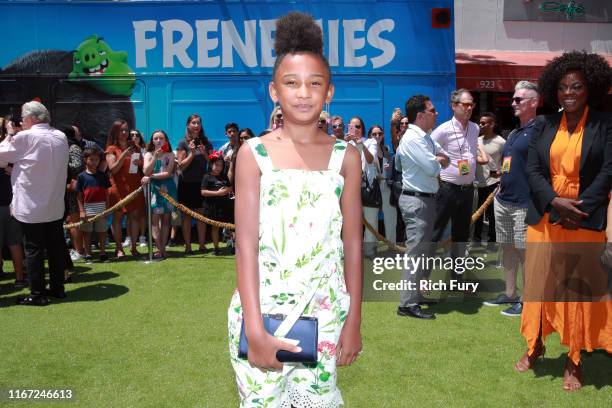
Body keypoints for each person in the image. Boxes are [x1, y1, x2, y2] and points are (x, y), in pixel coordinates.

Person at [228, 12, 362, 406]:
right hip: (262, 313)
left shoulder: (346, 157)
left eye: (314, 83)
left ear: (329, 92)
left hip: (326, 316)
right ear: (274, 91)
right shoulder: (253, 154)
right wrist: (254, 327)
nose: (303, 93)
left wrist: (354, 321)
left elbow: (353, 244)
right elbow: (246, 245)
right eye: (291, 83)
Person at [517, 51, 612, 392]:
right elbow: (532, 170)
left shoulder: (605, 123)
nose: (569, 92)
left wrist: (577, 209)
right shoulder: (543, 124)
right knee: (539, 285)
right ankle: (535, 344)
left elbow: (608, 170)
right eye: (562, 87)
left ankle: (574, 359)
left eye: (577, 86)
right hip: (545, 216)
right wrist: (556, 202)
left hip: (584, 220)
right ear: (554, 91)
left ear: (591, 89)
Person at [0, 101, 69, 306]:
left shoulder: (24, 137)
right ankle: (58, 288)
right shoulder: (60, 136)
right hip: (54, 204)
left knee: (34, 250)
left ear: (30, 119)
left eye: (22, 118)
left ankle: (37, 294)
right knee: (55, 248)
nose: (20, 121)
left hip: (32, 206)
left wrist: (11, 133)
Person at [484, 81, 540, 316]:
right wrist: (501, 184)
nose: (513, 103)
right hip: (503, 199)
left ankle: (527, 301)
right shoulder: (515, 132)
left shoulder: (542, 130)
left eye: (519, 99)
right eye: (513, 99)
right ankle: (510, 293)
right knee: (507, 249)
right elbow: (508, 165)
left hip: (524, 203)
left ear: (534, 102)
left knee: (524, 252)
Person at [395, 95, 448, 320]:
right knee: (417, 253)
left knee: (423, 252)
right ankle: (407, 303)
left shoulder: (424, 138)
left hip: (424, 199)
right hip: (417, 200)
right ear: (420, 115)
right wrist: (439, 159)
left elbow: (444, 156)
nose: (436, 113)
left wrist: (439, 159)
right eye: (432, 110)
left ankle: (414, 296)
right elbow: (433, 167)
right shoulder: (414, 139)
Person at [430, 89, 488, 279]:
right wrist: (438, 159)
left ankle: (457, 278)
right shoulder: (443, 130)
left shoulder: (475, 128)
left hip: (467, 190)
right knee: (435, 233)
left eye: (472, 104)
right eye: (465, 104)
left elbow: (471, 152)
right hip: (447, 189)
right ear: (454, 106)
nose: (470, 108)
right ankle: (422, 278)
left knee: (462, 236)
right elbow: (427, 150)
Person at [105, 119, 145, 258]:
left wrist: (139, 162)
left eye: (126, 130)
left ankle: (134, 248)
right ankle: (119, 248)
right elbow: (113, 169)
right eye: (121, 130)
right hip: (118, 188)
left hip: (134, 186)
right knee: (118, 217)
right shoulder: (111, 149)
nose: (124, 133)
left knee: (134, 216)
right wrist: (123, 155)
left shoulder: (134, 146)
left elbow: (141, 166)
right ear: (115, 132)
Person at [176, 114, 213, 254]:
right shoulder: (182, 143)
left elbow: (213, 164)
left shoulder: (206, 142)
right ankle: (188, 246)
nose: (196, 126)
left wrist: (204, 154)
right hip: (186, 183)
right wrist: (191, 154)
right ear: (188, 125)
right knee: (186, 216)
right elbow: (181, 166)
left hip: (201, 183)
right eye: (193, 123)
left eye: (198, 123)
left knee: (201, 216)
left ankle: (202, 245)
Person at [142, 130, 177, 260]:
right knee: (154, 220)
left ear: (165, 140)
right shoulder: (148, 154)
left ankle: (163, 248)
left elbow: (168, 173)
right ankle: (159, 248)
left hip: (168, 188)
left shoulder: (170, 155)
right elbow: (145, 170)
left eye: (161, 138)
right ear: (152, 141)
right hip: (154, 190)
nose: (158, 141)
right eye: (155, 138)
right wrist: (155, 158)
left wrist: (150, 177)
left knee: (166, 220)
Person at [0, 117, 26, 288]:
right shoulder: (14, 149)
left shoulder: (6, 149)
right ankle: (19, 278)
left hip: (7, 203)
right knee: (15, 243)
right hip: (12, 203)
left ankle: (17, 277)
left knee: (14, 243)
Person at [348, 116, 379, 257]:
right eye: (352, 126)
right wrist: (346, 142)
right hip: (350, 188)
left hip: (367, 187)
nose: (356, 130)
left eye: (358, 127)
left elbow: (371, 159)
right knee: (351, 222)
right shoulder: (345, 143)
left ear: (363, 128)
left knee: (371, 220)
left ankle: (369, 251)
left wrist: (360, 144)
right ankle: (353, 251)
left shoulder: (371, 141)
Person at [473, 112, 505, 247]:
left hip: (494, 183)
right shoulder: (476, 140)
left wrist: (501, 172)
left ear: (492, 124)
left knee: (492, 215)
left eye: (483, 123)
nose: (480, 125)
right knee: (477, 214)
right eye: (479, 123)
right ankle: (476, 240)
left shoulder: (501, 142)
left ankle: (493, 241)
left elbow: (508, 161)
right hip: (477, 183)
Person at [76, 148, 111, 263]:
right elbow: (79, 196)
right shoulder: (81, 176)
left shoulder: (103, 176)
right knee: (87, 233)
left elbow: (107, 194)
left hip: (101, 208)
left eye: (97, 159)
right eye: (91, 159)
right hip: (88, 209)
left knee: (102, 232)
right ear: (85, 160)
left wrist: (107, 209)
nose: (95, 162)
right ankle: (88, 254)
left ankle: (102, 252)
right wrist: (82, 211)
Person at [369, 125, 397, 244]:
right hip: (373, 187)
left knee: (391, 217)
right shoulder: (367, 148)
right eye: (374, 134)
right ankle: (371, 248)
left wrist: (388, 167)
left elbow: (390, 167)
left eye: (380, 133)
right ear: (369, 136)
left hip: (385, 186)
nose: (377, 136)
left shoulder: (386, 149)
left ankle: (392, 245)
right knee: (372, 219)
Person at [201, 151, 232, 256]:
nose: (219, 167)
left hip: (225, 206)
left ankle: (232, 245)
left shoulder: (224, 176)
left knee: (230, 226)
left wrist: (226, 190)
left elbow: (230, 187)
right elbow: (203, 192)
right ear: (211, 165)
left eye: (221, 165)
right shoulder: (207, 177)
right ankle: (216, 247)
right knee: (215, 227)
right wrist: (217, 193)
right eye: (216, 165)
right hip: (212, 207)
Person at [63, 126, 85, 262]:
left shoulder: (73, 148)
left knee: (74, 221)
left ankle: (79, 251)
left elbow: (77, 166)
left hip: (73, 191)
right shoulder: (65, 147)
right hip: (64, 189)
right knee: (69, 221)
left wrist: (60, 163)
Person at [130, 128, 149, 248]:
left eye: (137, 135)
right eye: (132, 135)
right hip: (129, 182)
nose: (134, 137)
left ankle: (142, 237)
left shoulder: (144, 150)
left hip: (142, 182)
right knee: (129, 212)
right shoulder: (126, 149)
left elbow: (147, 168)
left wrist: (141, 163)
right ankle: (129, 237)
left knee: (142, 211)